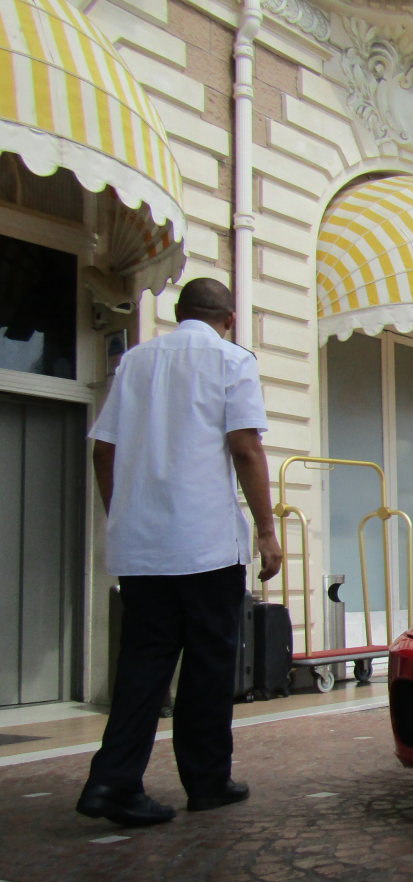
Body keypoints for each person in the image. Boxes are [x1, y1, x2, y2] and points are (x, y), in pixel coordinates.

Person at [76, 278, 282, 827]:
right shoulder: (232, 361)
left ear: (178, 311)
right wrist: (266, 528)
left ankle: (112, 781)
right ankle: (207, 781)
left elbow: (104, 449)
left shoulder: (138, 362)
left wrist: (122, 512)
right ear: (229, 318)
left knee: (143, 663)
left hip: (142, 547)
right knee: (210, 663)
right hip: (205, 542)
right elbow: (245, 446)